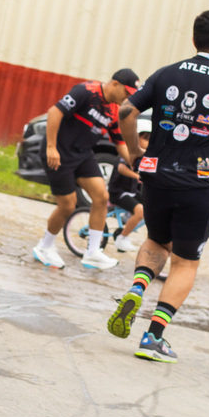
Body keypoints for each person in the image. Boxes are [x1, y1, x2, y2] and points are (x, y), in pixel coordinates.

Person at [106, 9, 209, 363]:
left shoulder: (166, 73)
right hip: (198, 184)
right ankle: (153, 337)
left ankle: (138, 287)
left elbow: (125, 111)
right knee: (185, 263)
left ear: (193, 40)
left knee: (157, 240)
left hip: (156, 178)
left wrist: (134, 153)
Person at [31, 69, 139, 271]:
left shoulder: (114, 110)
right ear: (115, 84)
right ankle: (44, 246)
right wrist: (51, 147)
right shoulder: (86, 91)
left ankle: (92, 253)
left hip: (82, 154)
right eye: (127, 92)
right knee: (68, 206)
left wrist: (138, 165)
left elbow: (120, 143)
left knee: (101, 196)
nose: (127, 97)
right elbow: (55, 112)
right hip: (60, 152)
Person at [108, 124, 151, 253]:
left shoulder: (144, 155)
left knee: (152, 206)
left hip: (131, 191)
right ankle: (122, 238)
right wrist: (137, 176)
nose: (148, 143)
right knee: (140, 211)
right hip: (118, 192)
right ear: (136, 138)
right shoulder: (127, 152)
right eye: (146, 139)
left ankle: (129, 220)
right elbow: (121, 168)